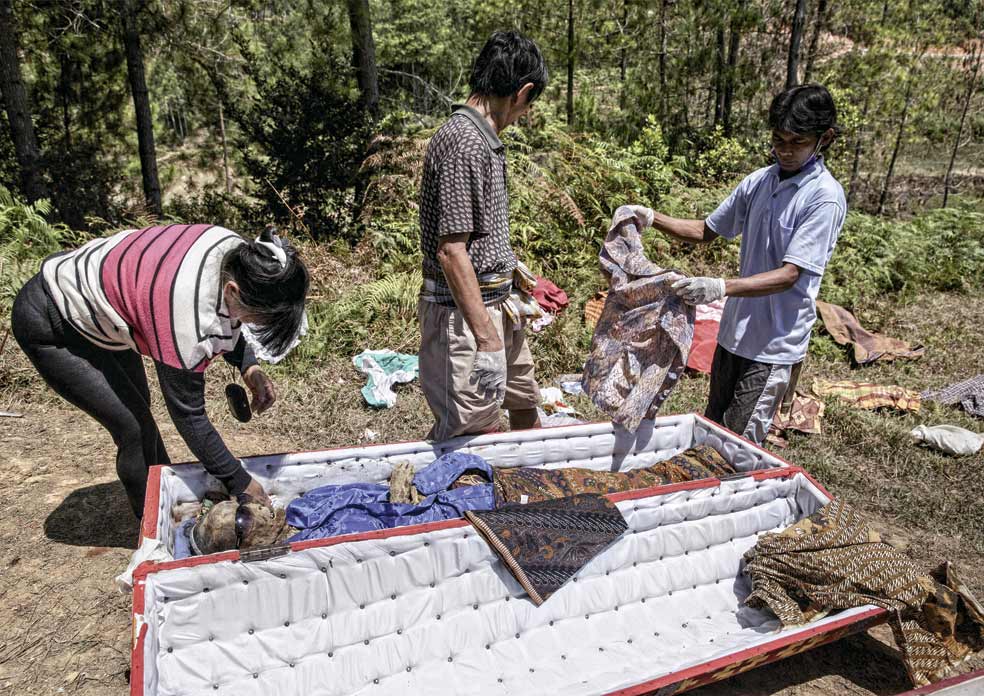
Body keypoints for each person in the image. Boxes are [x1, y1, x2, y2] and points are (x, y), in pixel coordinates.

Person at [11, 223, 309, 517]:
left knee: (141, 412)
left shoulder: (238, 254)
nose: (254, 324)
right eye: (258, 318)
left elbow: (231, 316)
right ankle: (153, 530)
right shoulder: (188, 319)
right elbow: (188, 415)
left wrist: (249, 367)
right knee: (133, 427)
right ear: (233, 291)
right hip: (52, 323)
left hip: (101, 310)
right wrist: (239, 480)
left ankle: (167, 504)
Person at [651, 84, 846, 444]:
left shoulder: (823, 197)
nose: (785, 151)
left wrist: (719, 287)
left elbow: (790, 275)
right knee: (712, 427)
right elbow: (707, 230)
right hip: (734, 333)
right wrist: (649, 217)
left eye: (797, 142)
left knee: (738, 442)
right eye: (778, 140)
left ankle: (732, 495)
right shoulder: (760, 181)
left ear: (825, 139)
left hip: (774, 342)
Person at [417, 31, 548, 441]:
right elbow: (452, 251)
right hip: (465, 320)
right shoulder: (464, 143)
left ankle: (527, 498)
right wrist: (486, 340)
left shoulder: (484, 141)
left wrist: (506, 263)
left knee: (525, 404)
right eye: (529, 105)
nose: (525, 115)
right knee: (473, 436)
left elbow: (474, 235)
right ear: (522, 92)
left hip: (499, 307)